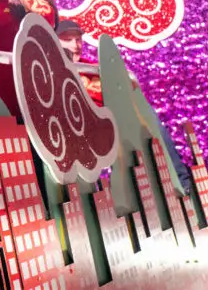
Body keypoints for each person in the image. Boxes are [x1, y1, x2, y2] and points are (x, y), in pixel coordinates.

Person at [57, 20, 192, 190]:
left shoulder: (93, 66)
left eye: (78, 40)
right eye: (68, 39)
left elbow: (128, 87)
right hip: (82, 125)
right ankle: (95, 200)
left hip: (113, 119)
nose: (75, 45)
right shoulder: (53, 70)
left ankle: (181, 183)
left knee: (146, 116)